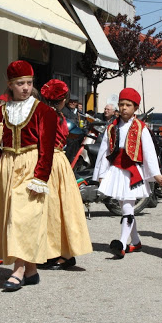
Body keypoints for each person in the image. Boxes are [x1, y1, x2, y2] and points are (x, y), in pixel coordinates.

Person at [0, 60, 57, 291]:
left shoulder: (43, 111)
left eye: (29, 83)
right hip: (7, 166)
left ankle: (18, 270)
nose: (26, 87)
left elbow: (47, 148)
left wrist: (40, 176)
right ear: (10, 85)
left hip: (30, 165)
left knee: (25, 218)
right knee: (11, 217)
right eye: (20, 83)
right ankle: (32, 270)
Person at [93, 88, 162, 259]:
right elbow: (105, 150)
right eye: (122, 104)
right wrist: (101, 173)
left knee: (126, 206)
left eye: (128, 105)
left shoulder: (141, 128)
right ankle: (136, 241)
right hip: (116, 170)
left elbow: (149, 152)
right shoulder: (112, 127)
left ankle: (122, 244)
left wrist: (156, 174)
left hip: (132, 172)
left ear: (135, 108)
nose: (124, 108)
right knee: (124, 206)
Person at [39, 79, 93, 269]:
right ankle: (58, 251)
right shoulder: (60, 117)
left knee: (51, 208)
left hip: (48, 161)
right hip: (58, 161)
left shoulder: (47, 116)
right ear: (63, 100)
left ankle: (58, 253)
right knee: (62, 208)